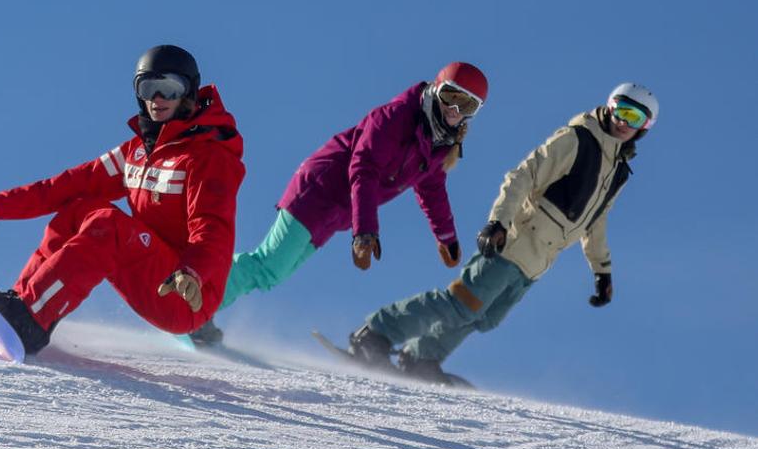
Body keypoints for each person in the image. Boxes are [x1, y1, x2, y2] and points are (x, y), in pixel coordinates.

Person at [347, 82, 659, 383]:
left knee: (484, 318)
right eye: (621, 110)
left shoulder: (618, 171)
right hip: (513, 242)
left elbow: (595, 221)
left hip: (537, 263)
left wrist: (601, 271)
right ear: (609, 106)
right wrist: (499, 222)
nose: (623, 121)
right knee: (460, 303)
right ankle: (375, 335)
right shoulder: (578, 140)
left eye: (635, 117)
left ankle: (421, 357)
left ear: (645, 127)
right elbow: (523, 176)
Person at [0, 45, 245, 355]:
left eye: (169, 88)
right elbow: (72, 183)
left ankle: (31, 320)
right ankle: (24, 303)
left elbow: (213, 229)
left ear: (189, 92)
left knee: (110, 225)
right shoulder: (137, 152)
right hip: (153, 267)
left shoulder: (209, 157)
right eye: (148, 87)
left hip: (185, 294)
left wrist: (192, 272)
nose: (157, 99)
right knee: (80, 207)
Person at [191, 62, 489, 346]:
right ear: (437, 90)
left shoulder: (438, 143)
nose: (454, 109)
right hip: (318, 191)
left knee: (272, 273)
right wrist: (365, 232)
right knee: (268, 265)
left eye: (467, 105)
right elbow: (364, 169)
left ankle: (199, 298)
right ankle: (195, 303)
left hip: (337, 213)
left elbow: (432, 189)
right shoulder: (396, 117)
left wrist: (446, 237)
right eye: (451, 96)